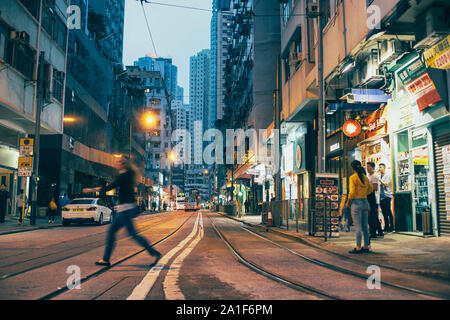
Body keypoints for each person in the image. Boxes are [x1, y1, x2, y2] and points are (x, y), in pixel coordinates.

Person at [83, 156, 162, 267]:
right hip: (124, 210)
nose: (117, 163)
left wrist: (91, 189)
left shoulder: (124, 176)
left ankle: (154, 253)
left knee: (132, 234)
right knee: (114, 232)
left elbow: (110, 187)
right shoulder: (127, 175)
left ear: (124, 164)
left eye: (119, 161)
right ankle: (106, 259)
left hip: (125, 210)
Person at [346, 160, 373, 254]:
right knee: (365, 226)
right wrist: (364, 193)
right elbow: (370, 189)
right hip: (365, 202)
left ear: (352, 168)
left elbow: (352, 191)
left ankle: (358, 247)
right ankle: (366, 246)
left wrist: (348, 201)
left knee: (358, 227)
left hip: (356, 203)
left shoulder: (353, 177)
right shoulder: (365, 177)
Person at [366, 162, 384, 239]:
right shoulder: (369, 176)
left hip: (374, 198)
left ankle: (374, 232)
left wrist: (366, 190)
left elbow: (375, 187)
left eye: (369, 166)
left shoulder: (374, 176)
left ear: (373, 167)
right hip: (370, 198)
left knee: (372, 216)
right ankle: (379, 232)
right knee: (374, 216)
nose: (367, 168)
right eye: (367, 167)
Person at [378, 163, 394, 232]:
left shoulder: (387, 175)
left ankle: (392, 226)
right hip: (381, 196)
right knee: (384, 212)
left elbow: (386, 184)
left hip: (387, 196)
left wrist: (379, 180)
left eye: (380, 167)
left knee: (388, 211)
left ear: (384, 168)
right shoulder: (380, 176)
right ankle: (386, 226)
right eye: (379, 167)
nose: (379, 168)